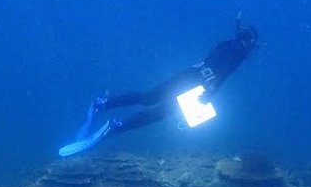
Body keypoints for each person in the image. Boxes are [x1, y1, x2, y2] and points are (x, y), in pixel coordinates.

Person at [59, 15, 259, 157]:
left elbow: (215, 62)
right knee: (158, 114)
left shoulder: (226, 43)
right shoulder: (239, 51)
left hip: (188, 74)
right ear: (249, 40)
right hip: (196, 85)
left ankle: (103, 103)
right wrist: (210, 92)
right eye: (253, 43)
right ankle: (114, 128)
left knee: (147, 98)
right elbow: (222, 71)